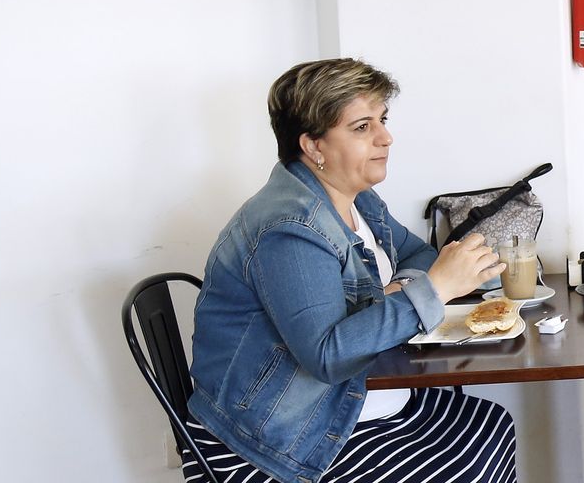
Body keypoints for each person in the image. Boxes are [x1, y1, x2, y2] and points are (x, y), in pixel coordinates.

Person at [185, 58, 518, 483]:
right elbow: (327, 355)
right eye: (362, 127)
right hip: (280, 437)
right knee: (465, 465)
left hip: (352, 399)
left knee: (490, 428)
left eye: (382, 119)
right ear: (314, 146)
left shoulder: (357, 199)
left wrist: (409, 286)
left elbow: (416, 254)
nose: (386, 137)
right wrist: (432, 290)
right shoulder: (289, 228)